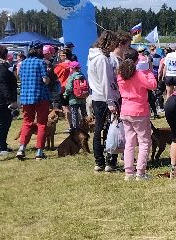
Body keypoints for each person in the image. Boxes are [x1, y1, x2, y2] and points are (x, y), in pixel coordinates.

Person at [116, 48, 157, 180]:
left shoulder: (120, 75)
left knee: (130, 142)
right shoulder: (139, 74)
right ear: (136, 60)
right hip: (139, 111)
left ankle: (128, 172)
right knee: (144, 142)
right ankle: (140, 172)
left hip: (125, 110)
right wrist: (148, 71)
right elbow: (153, 85)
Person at [87, 31, 122, 172]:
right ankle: (106, 161)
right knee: (109, 130)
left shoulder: (93, 56)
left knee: (100, 129)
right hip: (105, 98)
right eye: (114, 43)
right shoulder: (101, 59)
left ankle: (100, 161)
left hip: (97, 96)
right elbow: (105, 81)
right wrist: (111, 101)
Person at [15, 42, 51, 160]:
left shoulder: (22, 63)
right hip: (40, 96)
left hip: (26, 97)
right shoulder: (40, 62)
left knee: (27, 122)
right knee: (41, 123)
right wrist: (49, 80)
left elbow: (19, 77)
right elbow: (45, 80)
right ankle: (39, 151)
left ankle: (21, 148)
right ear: (40, 50)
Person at [0, 44, 18, 156]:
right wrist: (10, 99)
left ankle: (2, 145)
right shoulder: (0, 67)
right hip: (1, 100)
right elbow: (2, 84)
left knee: (5, 122)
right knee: (1, 123)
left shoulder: (1, 66)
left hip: (2, 99)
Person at [63, 59, 89, 134]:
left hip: (74, 99)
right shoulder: (82, 75)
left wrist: (65, 94)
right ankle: (86, 126)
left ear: (72, 68)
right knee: (84, 113)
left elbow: (69, 88)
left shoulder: (71, 76)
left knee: (74, 114)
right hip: (83, 98)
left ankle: (75, 129)